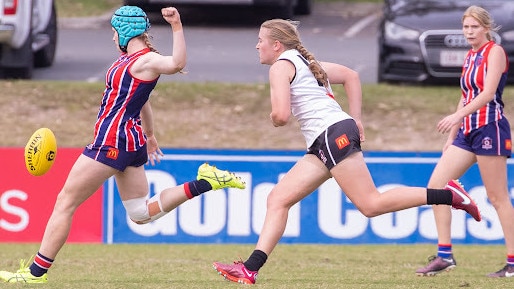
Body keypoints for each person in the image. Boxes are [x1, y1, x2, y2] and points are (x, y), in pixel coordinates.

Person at [212, 18, 481, 285]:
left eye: (260, 40)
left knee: (371, 204)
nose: (256, 46)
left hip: (331, 135)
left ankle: (449, 195)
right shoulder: (305, 62)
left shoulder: (281, 66)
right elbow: (351, 76)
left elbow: (281, 116)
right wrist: (357, 119)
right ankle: (250, 269)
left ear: (277, 45)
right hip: (328, 137)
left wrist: (274, 116)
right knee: (278, 199)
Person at [0, 6, 245, 284]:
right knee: (140, 213)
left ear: (125, 32)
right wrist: (150, 135)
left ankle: (34, 274)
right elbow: (144, 101)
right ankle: (204, 182)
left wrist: (176, 25)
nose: (113, 37)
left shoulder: (145, 60)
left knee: (64, 203)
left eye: (115, 31)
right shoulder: (129, 60)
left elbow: (176, 63)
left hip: (110, 141)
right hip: (131, 141)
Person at [415, 5, 514, 278]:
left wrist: (455, 115)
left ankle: (513, 262)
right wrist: (451, 136)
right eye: (466, 27)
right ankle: (445, 255)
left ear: (486, 28)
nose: (469, 32)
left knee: (498, 197)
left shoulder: (494, 52)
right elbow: (465, 94)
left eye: (474, 27)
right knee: (436, 187)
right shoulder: (470, 56)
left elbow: (487, 93)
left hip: (489, 128)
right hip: (467, 132)